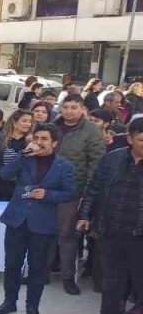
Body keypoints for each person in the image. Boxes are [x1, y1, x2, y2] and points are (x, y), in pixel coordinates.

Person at [0, 124, 78, 314]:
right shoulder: (25, 159)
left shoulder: (64, 166)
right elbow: (5, 174)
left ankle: (32, 307)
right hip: (17, 219)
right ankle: (9, 301)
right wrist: (23, 155)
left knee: (37, 267)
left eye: (44, 139)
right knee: (12, 264)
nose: (39, 142)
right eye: (37, 138)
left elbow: (71, 193)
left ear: (54, 143)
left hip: (43, 223)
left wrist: (48, 195)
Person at [75, 118, 143, 314]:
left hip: (140, 233)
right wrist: (84, 215)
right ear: (131, 138)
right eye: (141, 139)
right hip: (111, 229)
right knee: (111, 278)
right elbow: (94, 188)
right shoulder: (113, 159)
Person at [52, 95, 106, 296]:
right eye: (65, 107)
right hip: (47, 189)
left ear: (82, 109)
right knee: (43, 232)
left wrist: (87, 193)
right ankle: (39, 271)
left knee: (68, 236)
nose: (69, 111)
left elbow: (97, 164)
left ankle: (68, 278)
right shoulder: (52, 126)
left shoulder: (91, 131)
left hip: (73, 191)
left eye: (74, 107)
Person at [0, 109, 34, 199]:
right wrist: (5, 171)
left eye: (30, 122)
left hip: (20, 187)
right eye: (24, 121)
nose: (28, 124)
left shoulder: (31, 142)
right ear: (14, 122)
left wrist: (30, 144)